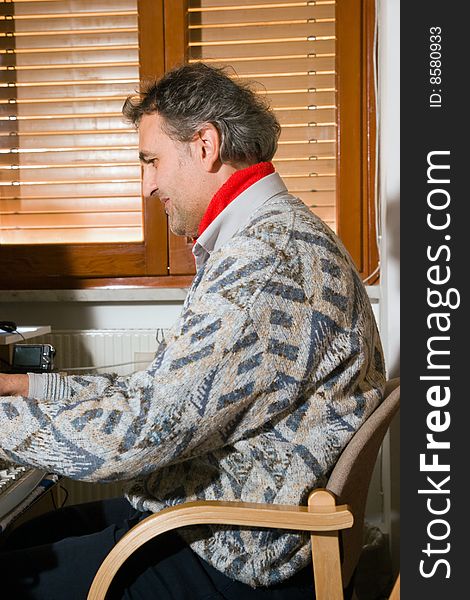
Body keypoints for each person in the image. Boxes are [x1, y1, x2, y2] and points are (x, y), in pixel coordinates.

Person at [0, 63, 385, 599]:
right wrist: (30, 389)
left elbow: (138, 435)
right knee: (30, 533)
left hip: (242, 551)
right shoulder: (273, 235)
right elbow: (162, 395)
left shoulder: (267, 263)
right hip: (240, 516)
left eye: (151, 161)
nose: (146, 185)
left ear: (205, 144)